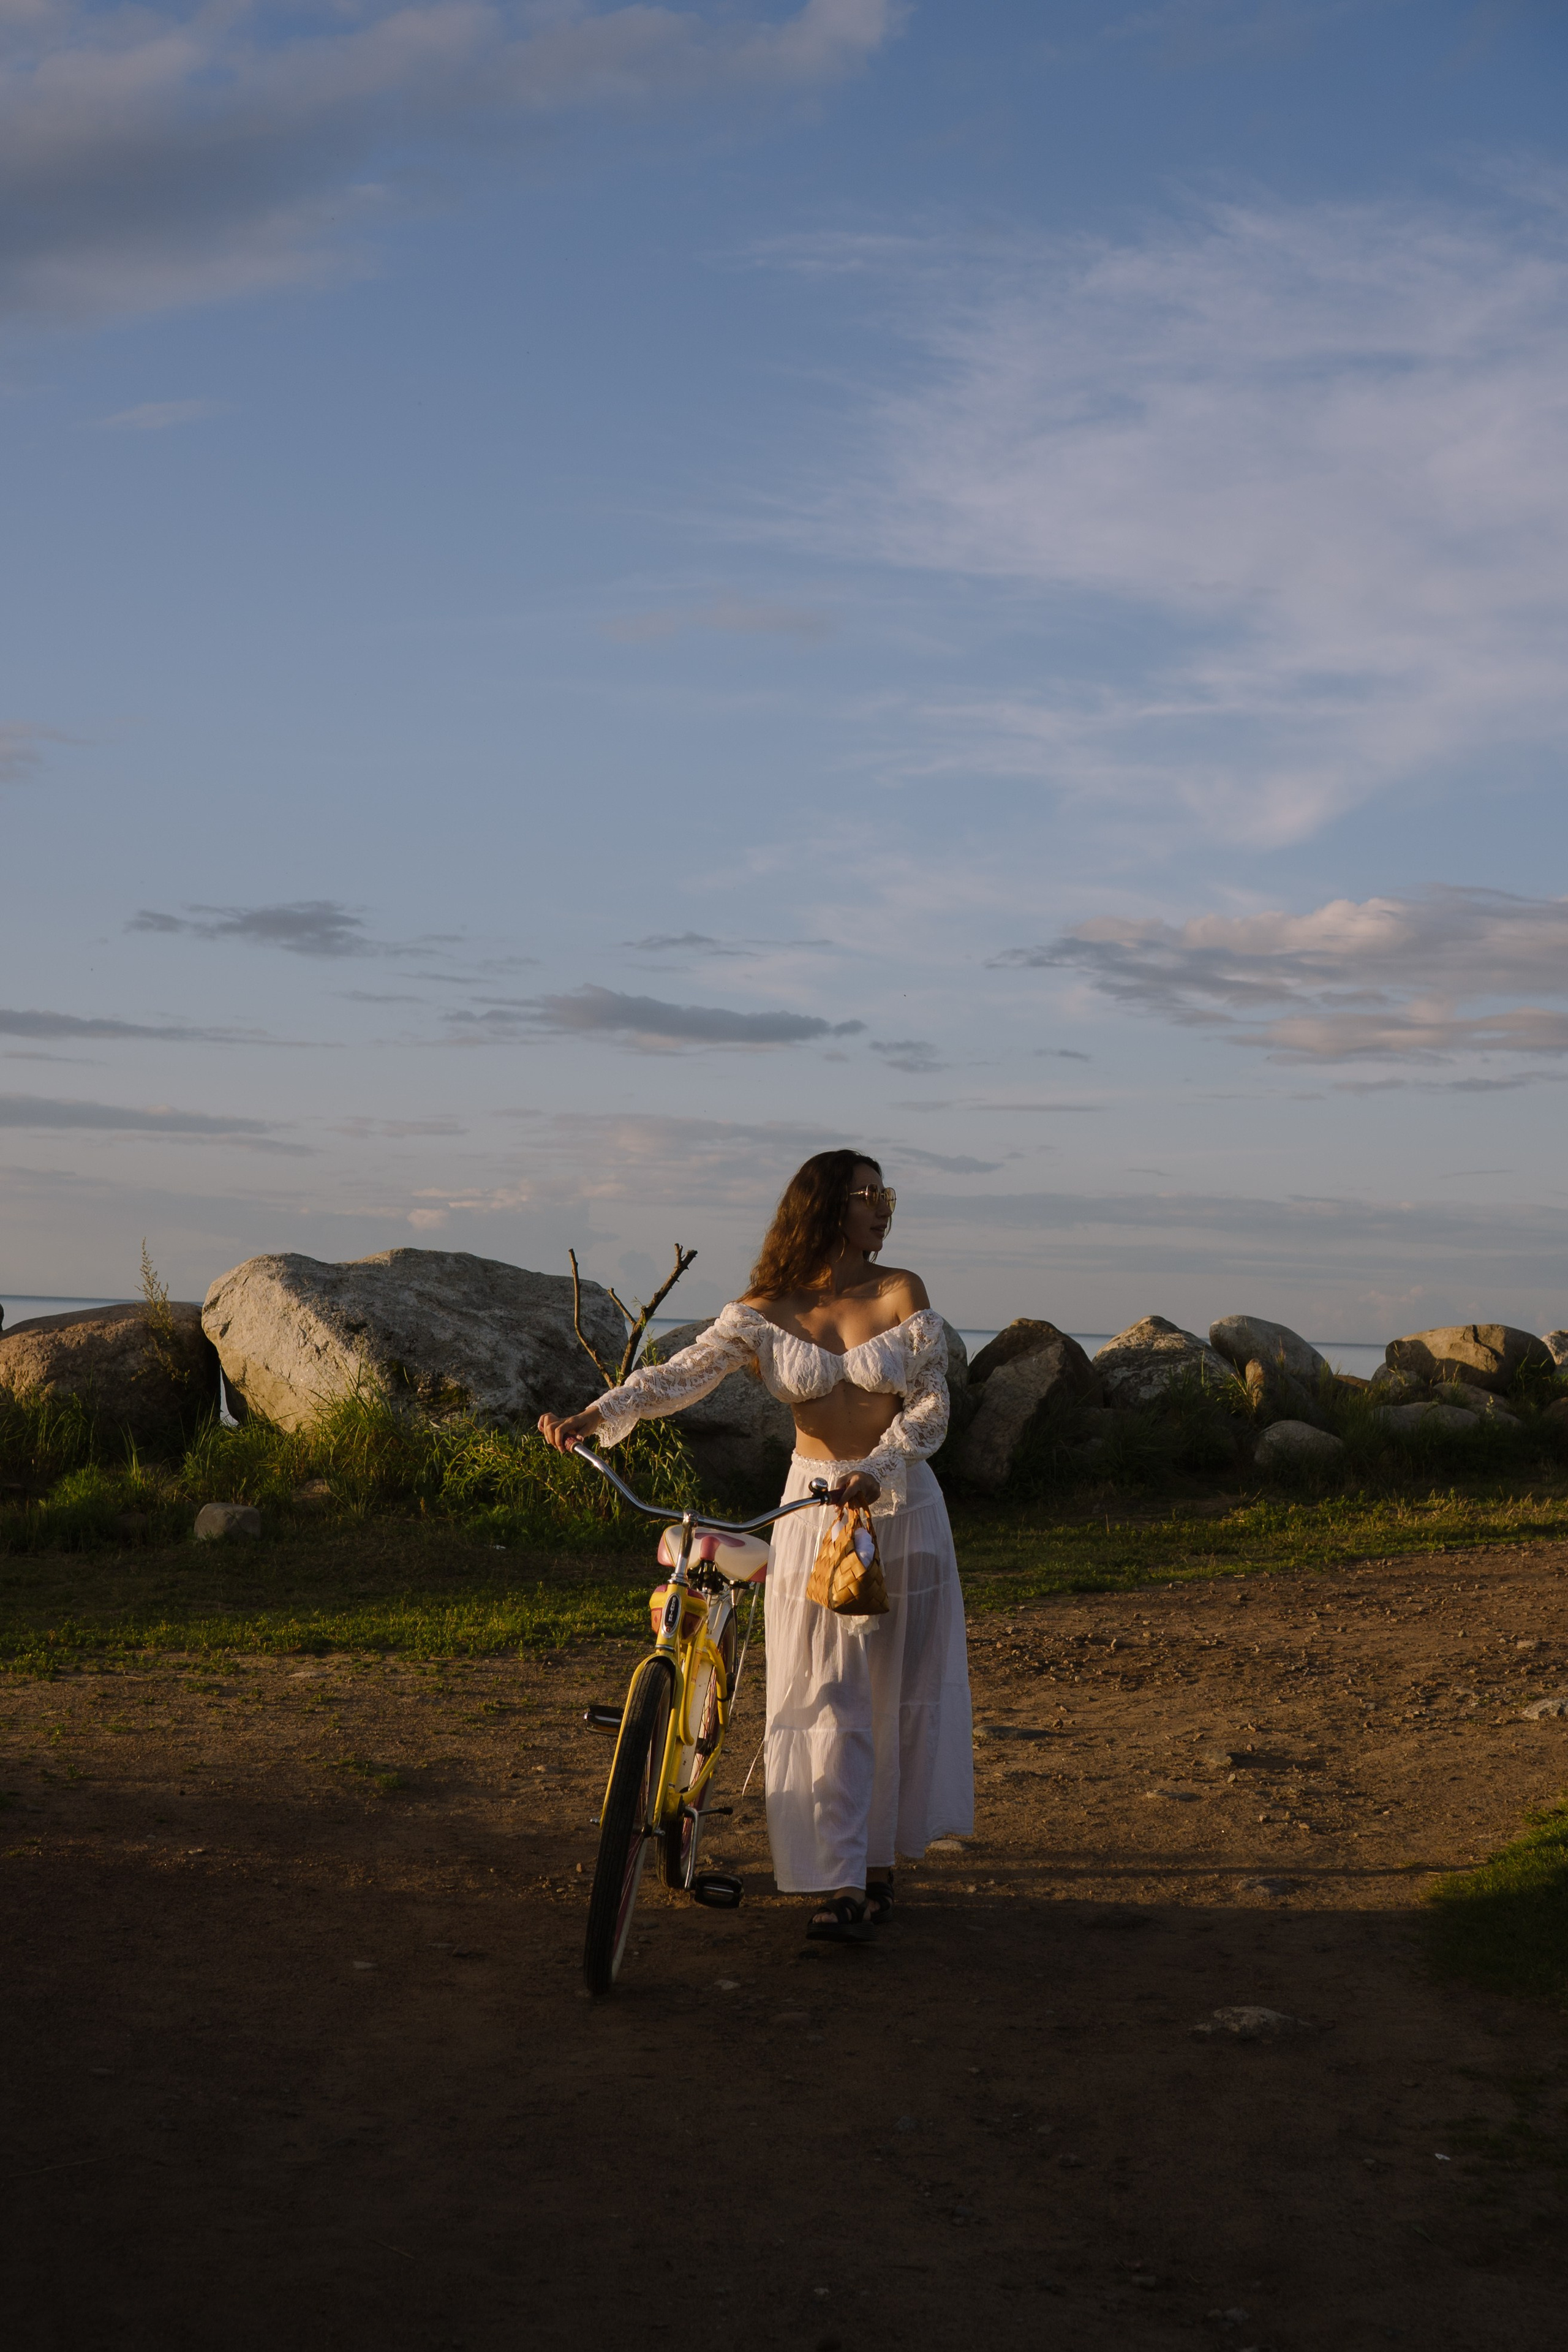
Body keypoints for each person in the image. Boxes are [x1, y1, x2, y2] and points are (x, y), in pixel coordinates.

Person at [538, 1150, 974, 1944]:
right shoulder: (762, 1310)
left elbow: (931, 1408)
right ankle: (839, 1882)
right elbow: (677, 1376)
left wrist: (876, 1473)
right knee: (826, 1699)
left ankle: (878, 1871)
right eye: (869, 1194)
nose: (886, 1208)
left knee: (896, 1696)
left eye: (887, 1194)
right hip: (812, 1511)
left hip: (902, 1507)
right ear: (826, 1205)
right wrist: (593, 1417)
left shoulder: (901, 1291)